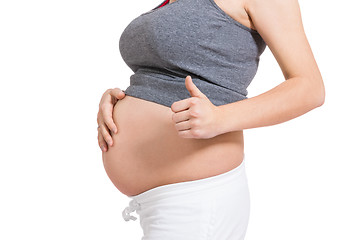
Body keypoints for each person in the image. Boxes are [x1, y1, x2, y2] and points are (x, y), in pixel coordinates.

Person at [97, 0, 325, 239]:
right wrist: (120, 99)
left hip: (197, 200)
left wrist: (219, 118)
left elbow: (310, 88)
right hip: (159, 203)